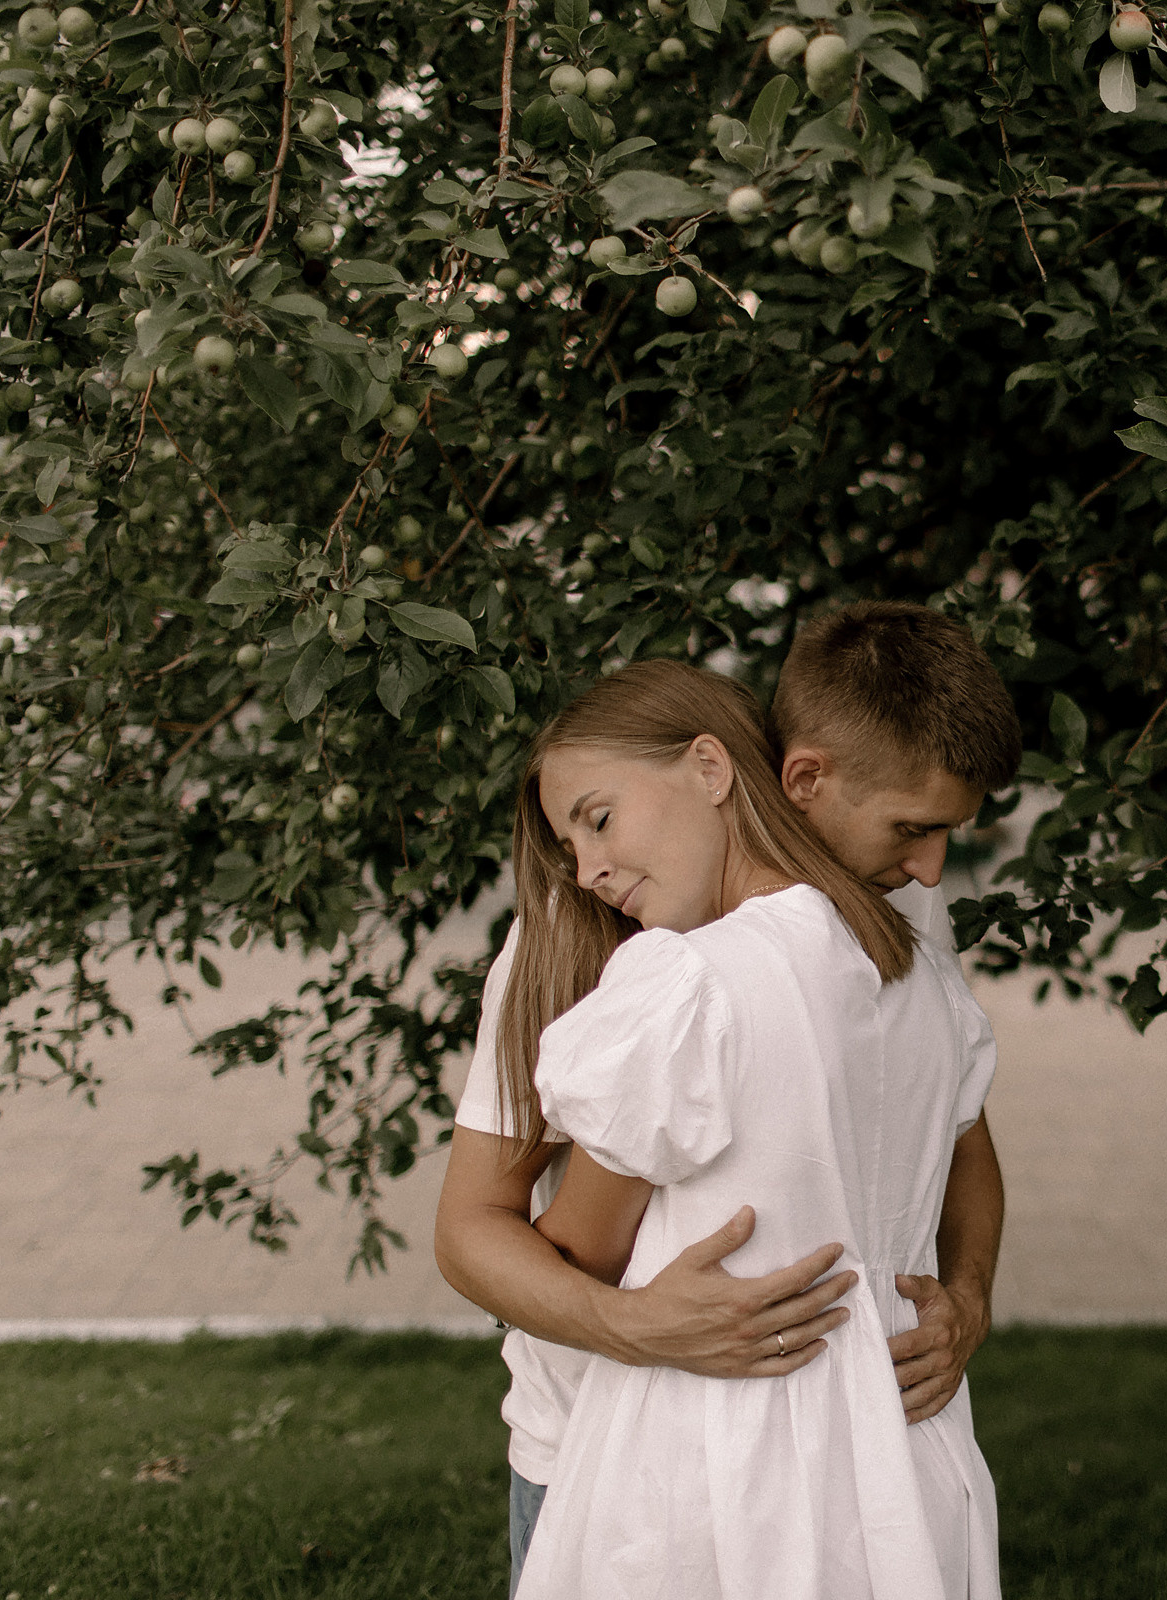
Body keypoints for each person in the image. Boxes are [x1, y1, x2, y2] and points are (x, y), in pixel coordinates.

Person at [433, 603, 1023, 1590]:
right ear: (799, 779)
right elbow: (489, 1233)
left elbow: (956, 1135)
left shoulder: (891, 923)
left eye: (601, 818)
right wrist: (632, 1323)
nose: (592, 866)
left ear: (714, 770)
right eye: (913, 829)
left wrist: (965, 1300)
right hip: (599, 1439)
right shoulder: (574, 952)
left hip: (825, 1459)